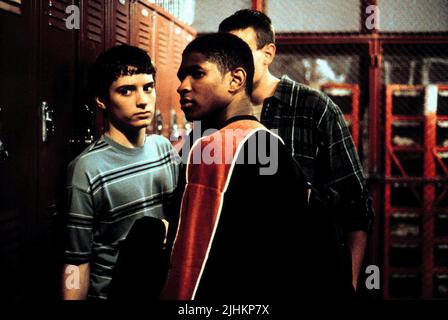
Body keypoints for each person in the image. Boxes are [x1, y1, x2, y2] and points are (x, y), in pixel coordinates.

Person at [219, 9, 374, 293]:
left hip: (303, 275)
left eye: (241, 51)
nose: (231, 63)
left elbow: (356, 204)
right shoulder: (215, 115)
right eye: (225, 53)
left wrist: (348, 282)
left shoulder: (314, 108)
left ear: (268, 54)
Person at [161, 33, 320, 300]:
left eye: (196, 74)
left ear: (235, 79)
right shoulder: (269, 142)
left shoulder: (214, 148)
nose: (182, 86)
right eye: (181, 77)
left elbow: (192, 262)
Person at [61, 45, 180, 300]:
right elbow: (76, 260)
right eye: (126, 91)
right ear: (102, 100)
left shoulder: (163, 149)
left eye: (148, 87)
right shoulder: (87, 168)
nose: (142, 100)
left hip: (159, 289)